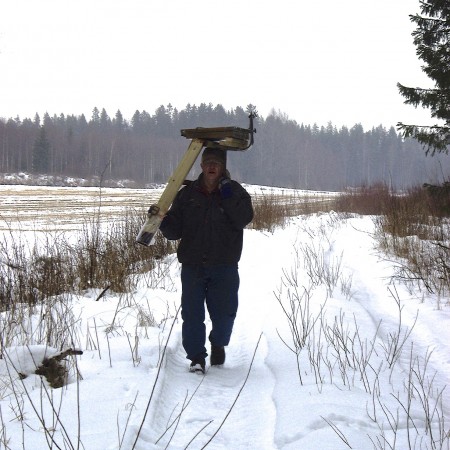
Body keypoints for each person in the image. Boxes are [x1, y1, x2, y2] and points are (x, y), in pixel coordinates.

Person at [159, 147, 254, 373]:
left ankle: (218, 342)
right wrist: (161, 220)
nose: (211, 167)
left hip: (225, 266)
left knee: (224, 313)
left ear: (222, 168)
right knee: (192, 315)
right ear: (201, 166)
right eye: (208, 162)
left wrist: (227, 194)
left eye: (216, 163)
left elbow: (243, 219)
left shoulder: (235, 192)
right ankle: (197, 358)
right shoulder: (188, 193)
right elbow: (175, 231)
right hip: (193, 265)